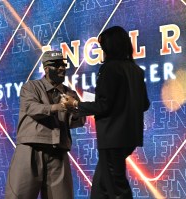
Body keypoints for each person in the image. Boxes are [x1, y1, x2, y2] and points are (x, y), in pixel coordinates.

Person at [62, 26, 150, 199]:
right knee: (102, 185)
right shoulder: (136, 71)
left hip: (112, 137)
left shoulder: (110, 68)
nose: (102, 52)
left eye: (103, 48)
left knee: (116, 187)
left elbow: (104, 105)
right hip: (129, 137)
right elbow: (144, 104)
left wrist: (76, 104)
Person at [5, 50, 85, 199]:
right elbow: (31, 108)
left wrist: (75, 112)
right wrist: (57, 107)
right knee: (18, 195)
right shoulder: (31, 87)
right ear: (46, 68)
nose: (61, 68)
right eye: (56, 65)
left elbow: (78, 121)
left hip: (58, 152)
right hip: (31, 150)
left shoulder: (70, 94)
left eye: (63, 64)